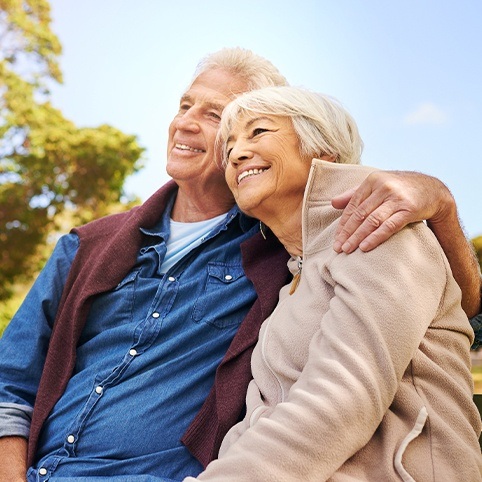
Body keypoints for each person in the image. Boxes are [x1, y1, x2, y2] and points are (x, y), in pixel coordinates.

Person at [0, 48, 480, 481]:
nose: (188, 124)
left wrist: (440, 204)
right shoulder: (91, 244)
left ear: (315, 149)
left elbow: (452, 304)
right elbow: (10, 383)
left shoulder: (313, 239)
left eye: (218, 117)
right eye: (185, 106)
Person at [186, 86, 482, 481]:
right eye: (230, 148)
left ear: (322, 147)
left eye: (258, 132)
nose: (236, 153)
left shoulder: (377, 225)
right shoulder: (289, 279)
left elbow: (343, 399)